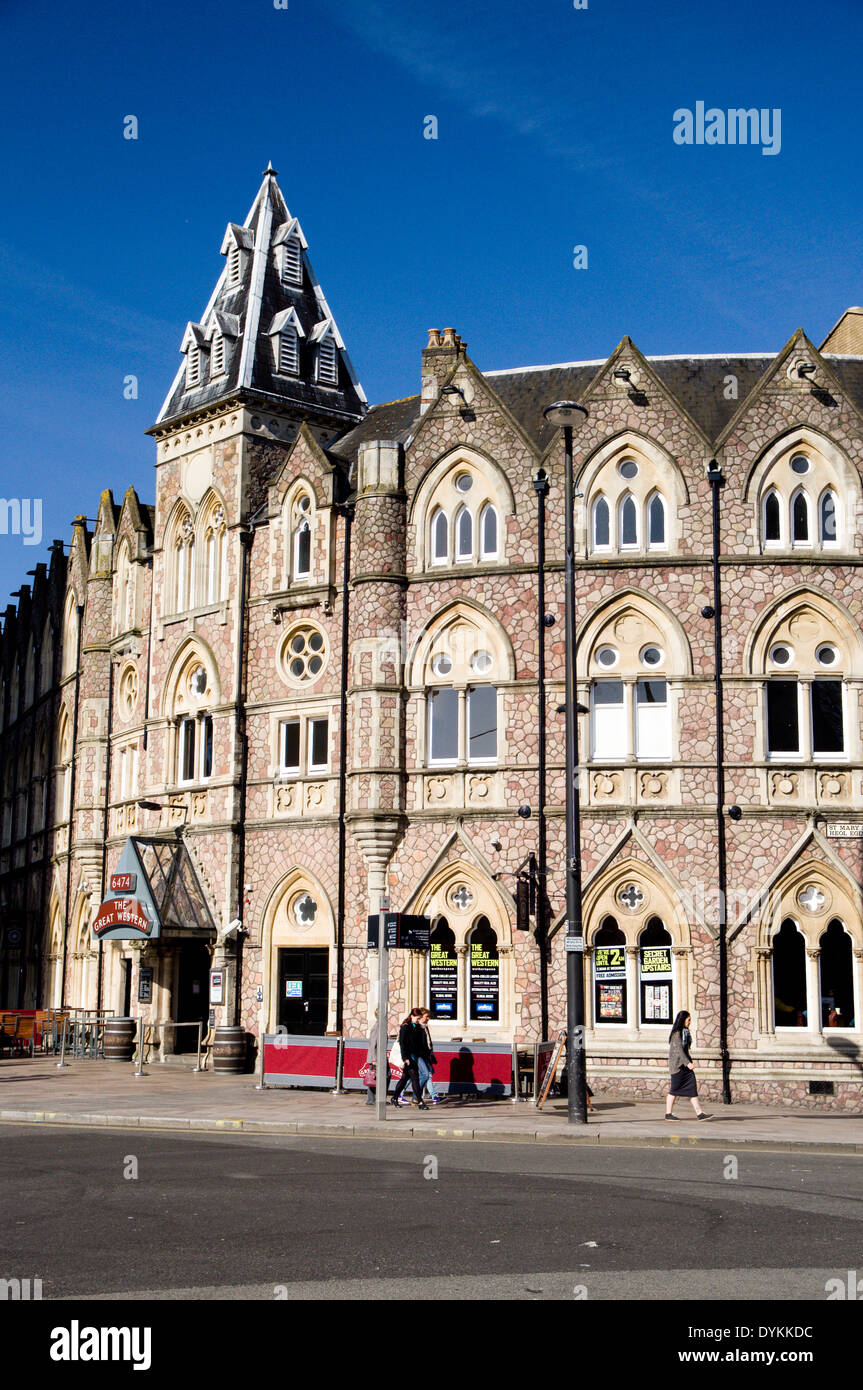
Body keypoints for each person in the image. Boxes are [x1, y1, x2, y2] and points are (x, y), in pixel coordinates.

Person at [666, 1010, 709, 1120]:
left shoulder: (685, 1032)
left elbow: (685, 1050)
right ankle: (668, 1114)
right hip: (678, 1066)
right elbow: (680, 1050)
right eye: (688, 1020)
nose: (690, 1022)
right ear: (683, 1020)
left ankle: (700, 1114)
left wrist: (689, 1062)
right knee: (674, 1090)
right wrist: (688, 1063)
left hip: (685, 1066)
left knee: (692, 1088)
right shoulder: (677, 1034)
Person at [390, 1008, 427, 1109]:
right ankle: (419, 1101)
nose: (417, 1020)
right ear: (411, 1016)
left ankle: (394, 1097)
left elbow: (420, 1044)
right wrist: (405, 1057)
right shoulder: (405, 1027)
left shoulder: (419, 1028)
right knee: (415, 1078)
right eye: (416, 1018)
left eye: (419, 1018)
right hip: (408, 1057)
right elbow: (402, 1044)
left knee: (404, 1079)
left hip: (414, 1056)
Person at [417, 1008, 440, 1105]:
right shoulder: (418, 1028)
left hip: (426, 1056)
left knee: (427, 1075)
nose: (428, 1019)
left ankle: (434, 1096)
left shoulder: (425, 1027)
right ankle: (415, 1095)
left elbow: (428, 1042)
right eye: (426, 1016)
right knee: (425, 1075)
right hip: (420, 1056)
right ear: (421, 1017)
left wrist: (431, 1053)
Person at [363, 1009, 380, 1105]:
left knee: (376, 1077)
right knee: (373, 1077)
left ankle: (374, 1099)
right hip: (375, 1057)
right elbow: (373, 1044)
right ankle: (371, 1099)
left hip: (379, 1056)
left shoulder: (380, 1026)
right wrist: (374, 1059)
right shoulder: (377, 1027)